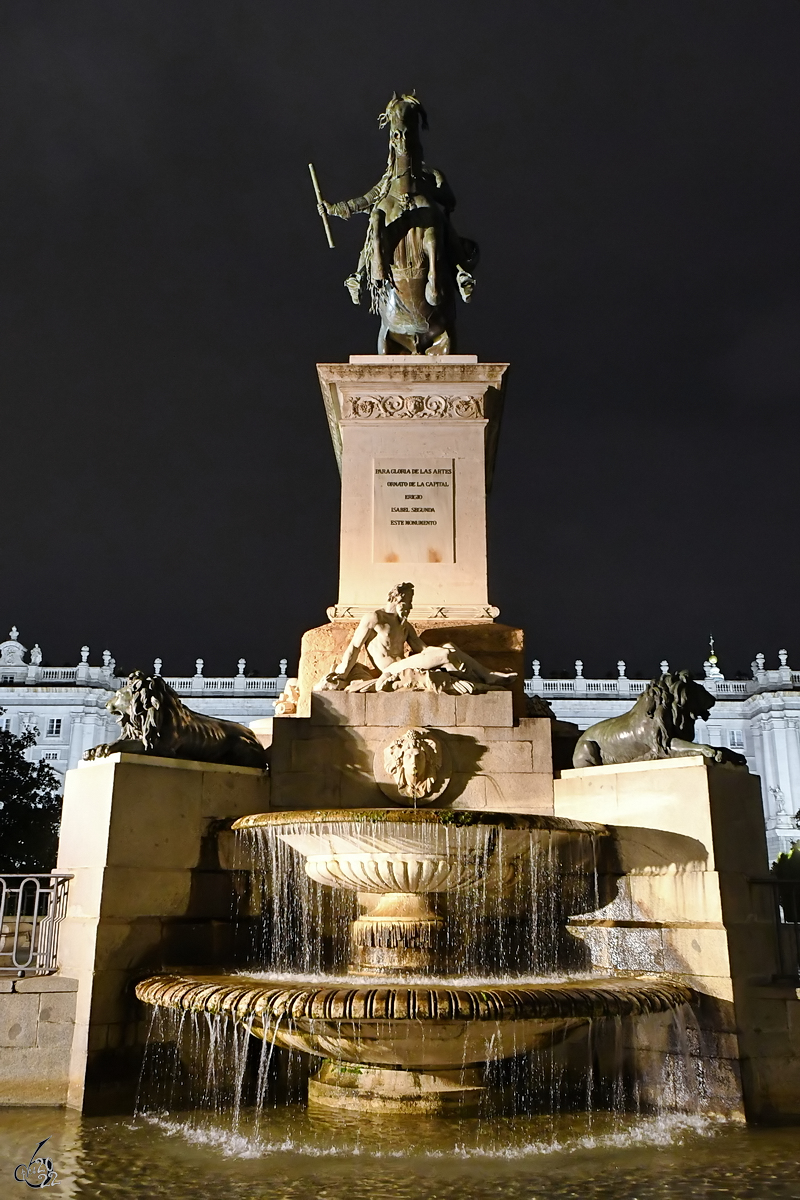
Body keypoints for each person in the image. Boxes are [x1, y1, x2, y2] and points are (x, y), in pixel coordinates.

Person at [315, 582, 515, 693]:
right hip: (390, 670)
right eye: (406, 603)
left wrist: (444, 654)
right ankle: (482, 678)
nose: (409, 607)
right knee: (445, 653)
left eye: (410, 603)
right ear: (394, 599)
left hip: (406, 664)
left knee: (449, 646)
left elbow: (422, 649)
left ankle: (485, 675)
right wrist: (342, 673)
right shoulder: (374, 618)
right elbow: (354, 647)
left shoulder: (405, 626)